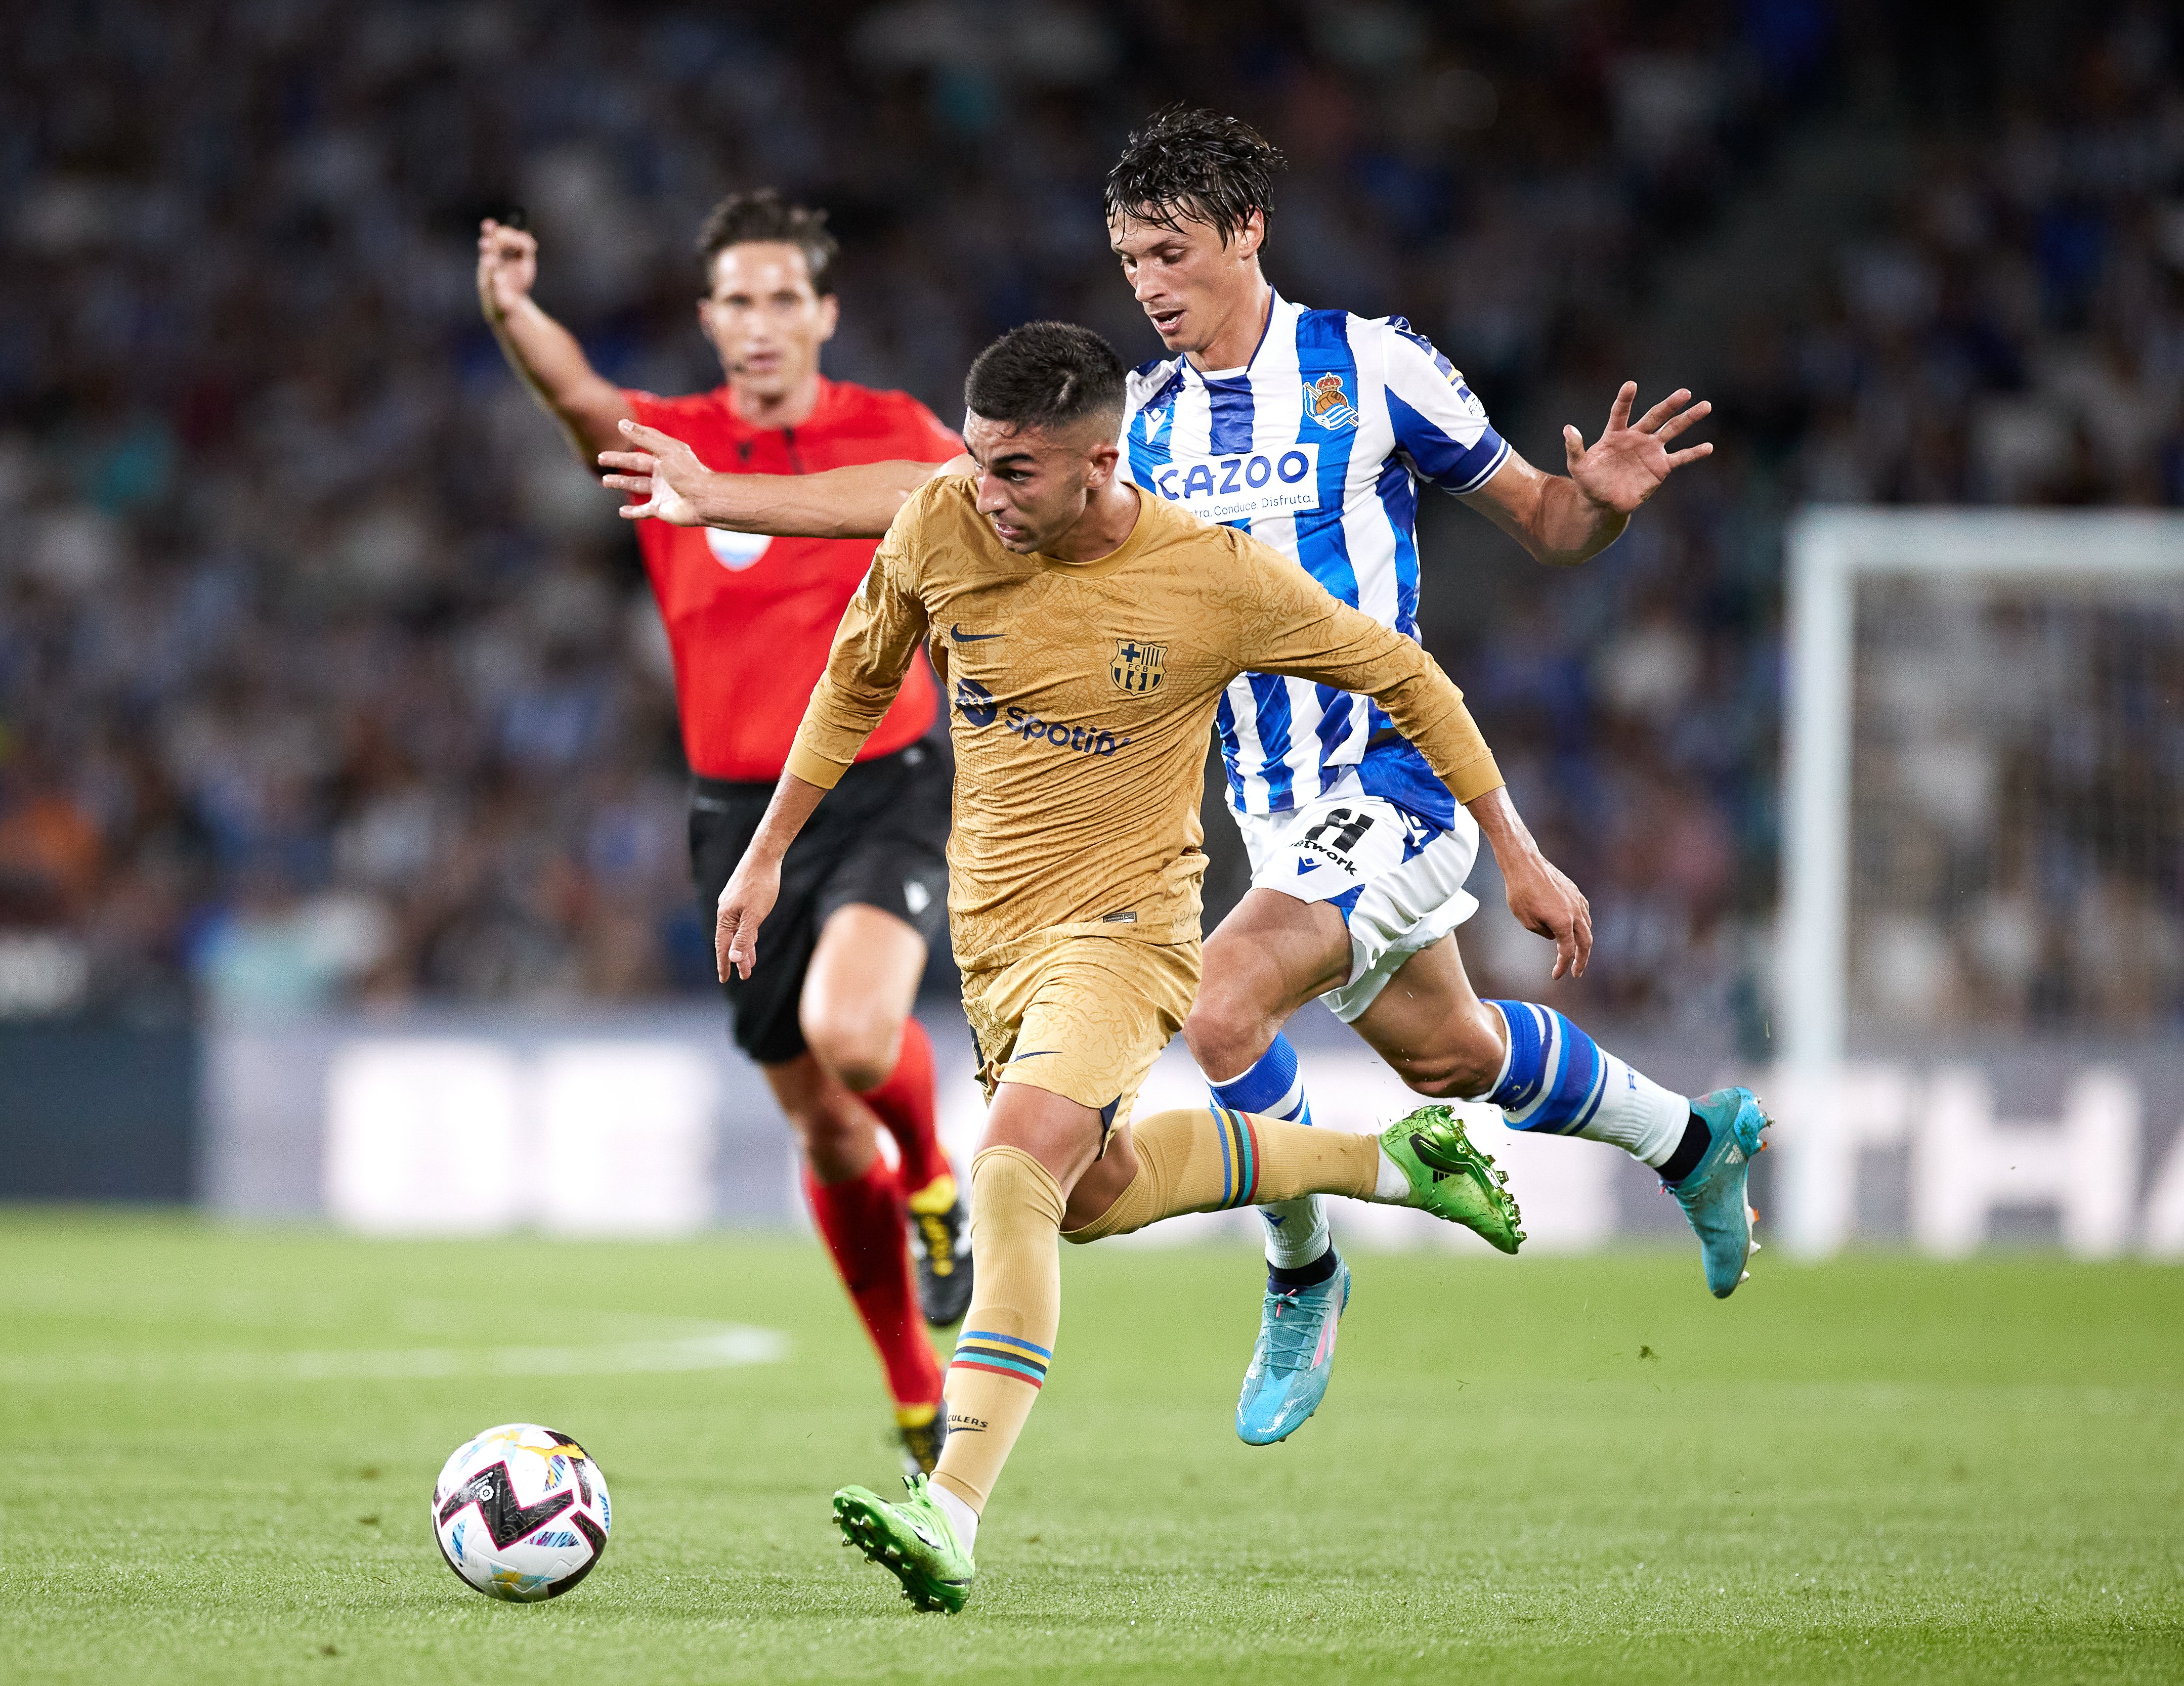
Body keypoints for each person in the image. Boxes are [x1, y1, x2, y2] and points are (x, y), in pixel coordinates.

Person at [599, 111, 1768, 1454]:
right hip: (1272, 810)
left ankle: (1305, 1268)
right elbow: (937, 488)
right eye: (1127, 258)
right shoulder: (1133, 425)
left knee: (1219, 1005)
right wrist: (721, 497)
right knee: (1453, 1054)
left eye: (1171, 251)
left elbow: (1550, 523)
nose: (1149, 283)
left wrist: (1601, 505)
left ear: (1248, 232)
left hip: (1392, 772)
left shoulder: (1368, 367)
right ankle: (1691, 1139)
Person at [715, 322, 1547, 1613]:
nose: (987, 494)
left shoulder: (1214, 575)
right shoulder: (942, 519)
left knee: (1007, 1169)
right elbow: (853, 677)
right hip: (996, 945)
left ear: (1102, 461)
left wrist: (1518, 852)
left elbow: (1406, 677)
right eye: (981, 463)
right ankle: (1395, 1161)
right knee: (1087, 1194)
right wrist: (767, 854)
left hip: (1125, 931)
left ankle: (949, 1509)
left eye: (1017, 475)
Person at [476, 190, 973, 1477]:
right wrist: (515, 311)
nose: (758, 324)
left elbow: (963, 490)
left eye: (780, 299)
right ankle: (914, 1387)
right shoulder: (674, 441)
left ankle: (932, 1182)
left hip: (886, 780)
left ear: (823, 313)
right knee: (817, 1127)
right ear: (709, 319)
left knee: (852, 1031)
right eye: (735, 302)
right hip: (736, 815)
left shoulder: (886, 429)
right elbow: (576, 393)